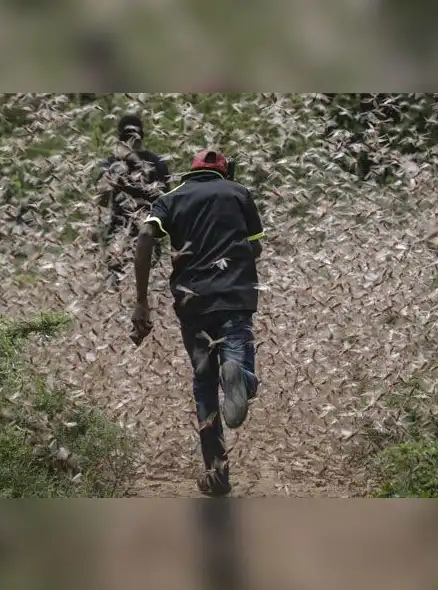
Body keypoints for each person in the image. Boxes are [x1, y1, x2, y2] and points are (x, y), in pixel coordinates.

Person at [129, 149, 265, 497]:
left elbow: (145, 237)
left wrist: (142, 301)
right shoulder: (239, 193)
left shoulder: (171, 199)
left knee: (204, 383)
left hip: (193, 305)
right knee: (237, 361)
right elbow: (256, 249)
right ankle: (241, 377)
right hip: (235, 299)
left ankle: (216, 472)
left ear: (191, 172)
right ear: (224, 172)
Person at [95, 114, 170, 286]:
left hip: (146, 232)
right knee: (120, 285)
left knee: (145, 284)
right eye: (127, 137)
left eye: (133, 136)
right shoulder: (112, 163)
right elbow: (101, 198)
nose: (131, 141)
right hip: (122, 234)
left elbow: (166, 199)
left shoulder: (155, 163)